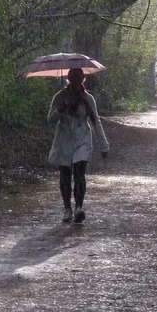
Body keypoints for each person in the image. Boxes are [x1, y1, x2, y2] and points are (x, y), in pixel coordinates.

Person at [47, 67, 109, 223]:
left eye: (79, 78)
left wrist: (104, 145)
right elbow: (49, 120)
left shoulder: (88, 99)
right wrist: (59, 111)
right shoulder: (59, 97)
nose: (76, 81)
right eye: (73, 78)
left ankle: (79, 208)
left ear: (82, 79)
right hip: (64, 140)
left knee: (80, 173)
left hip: (82, 140)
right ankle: (67, 208)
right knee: (65, 174)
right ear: (69, 78)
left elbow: (96, 121)